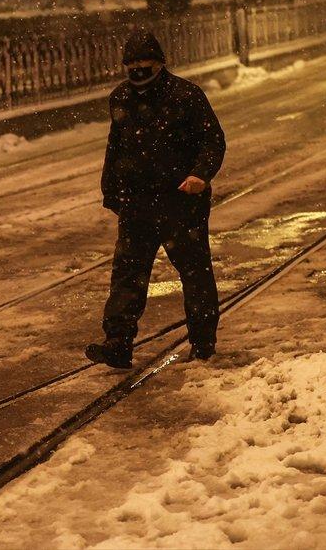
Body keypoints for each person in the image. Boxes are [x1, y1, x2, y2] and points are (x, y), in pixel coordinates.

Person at [86, 30, 226, 369]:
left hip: (181, 202)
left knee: (194, 273)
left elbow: (213, 141)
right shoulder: (121, 98)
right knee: (127, 274)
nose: (136, 70)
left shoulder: (186, 96)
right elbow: (116, 147)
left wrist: (200, 175)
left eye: (142, 63)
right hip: (137, 203)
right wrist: (112, 190)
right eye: (130, 64)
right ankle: (118, 342)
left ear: (160, 63)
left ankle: (203, 342)